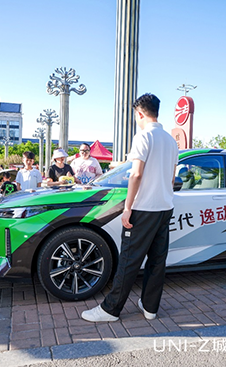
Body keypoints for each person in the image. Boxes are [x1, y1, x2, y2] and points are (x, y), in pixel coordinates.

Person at [82, 93, 178, 323]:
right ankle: (150, 307)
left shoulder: (144, 136)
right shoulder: (171, 140)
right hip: (165, 207)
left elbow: (136, 174)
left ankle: (110, 309)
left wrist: (128, 207)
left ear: (140, 113)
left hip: (144, 208)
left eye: (136, 115)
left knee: (129, 259)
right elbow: (171, 178)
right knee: (157, 260)